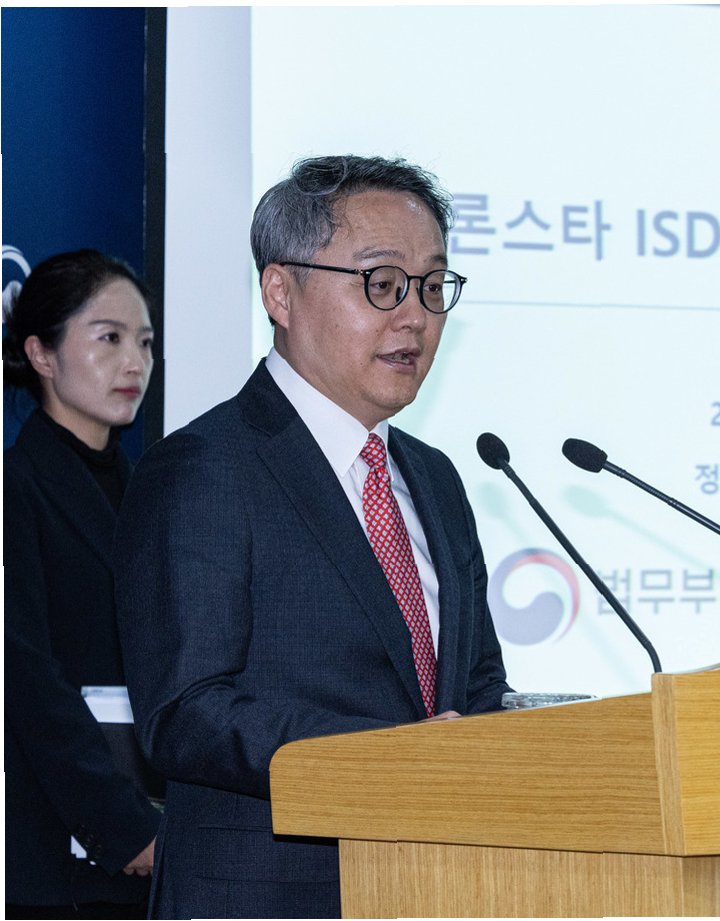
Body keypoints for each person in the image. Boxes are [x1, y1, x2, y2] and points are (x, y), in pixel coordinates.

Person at [114, 155, 513, 919]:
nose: (415, 316)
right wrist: (391, 757)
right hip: (266, 896)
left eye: (433, 285)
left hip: (432, 890)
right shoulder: (204, 468)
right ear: (280, 292)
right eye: (382, 282)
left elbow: (478, 684)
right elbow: (186, 711)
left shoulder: (434, 478)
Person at [3, 250, 161, 918]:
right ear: (41, 353)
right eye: (109, 338)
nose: (134, 363)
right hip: (55, 851)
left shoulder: (152, 492)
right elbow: (25, 680)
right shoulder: (15, 488)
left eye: (145, 342)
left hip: (155, 840)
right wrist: (122, 825)